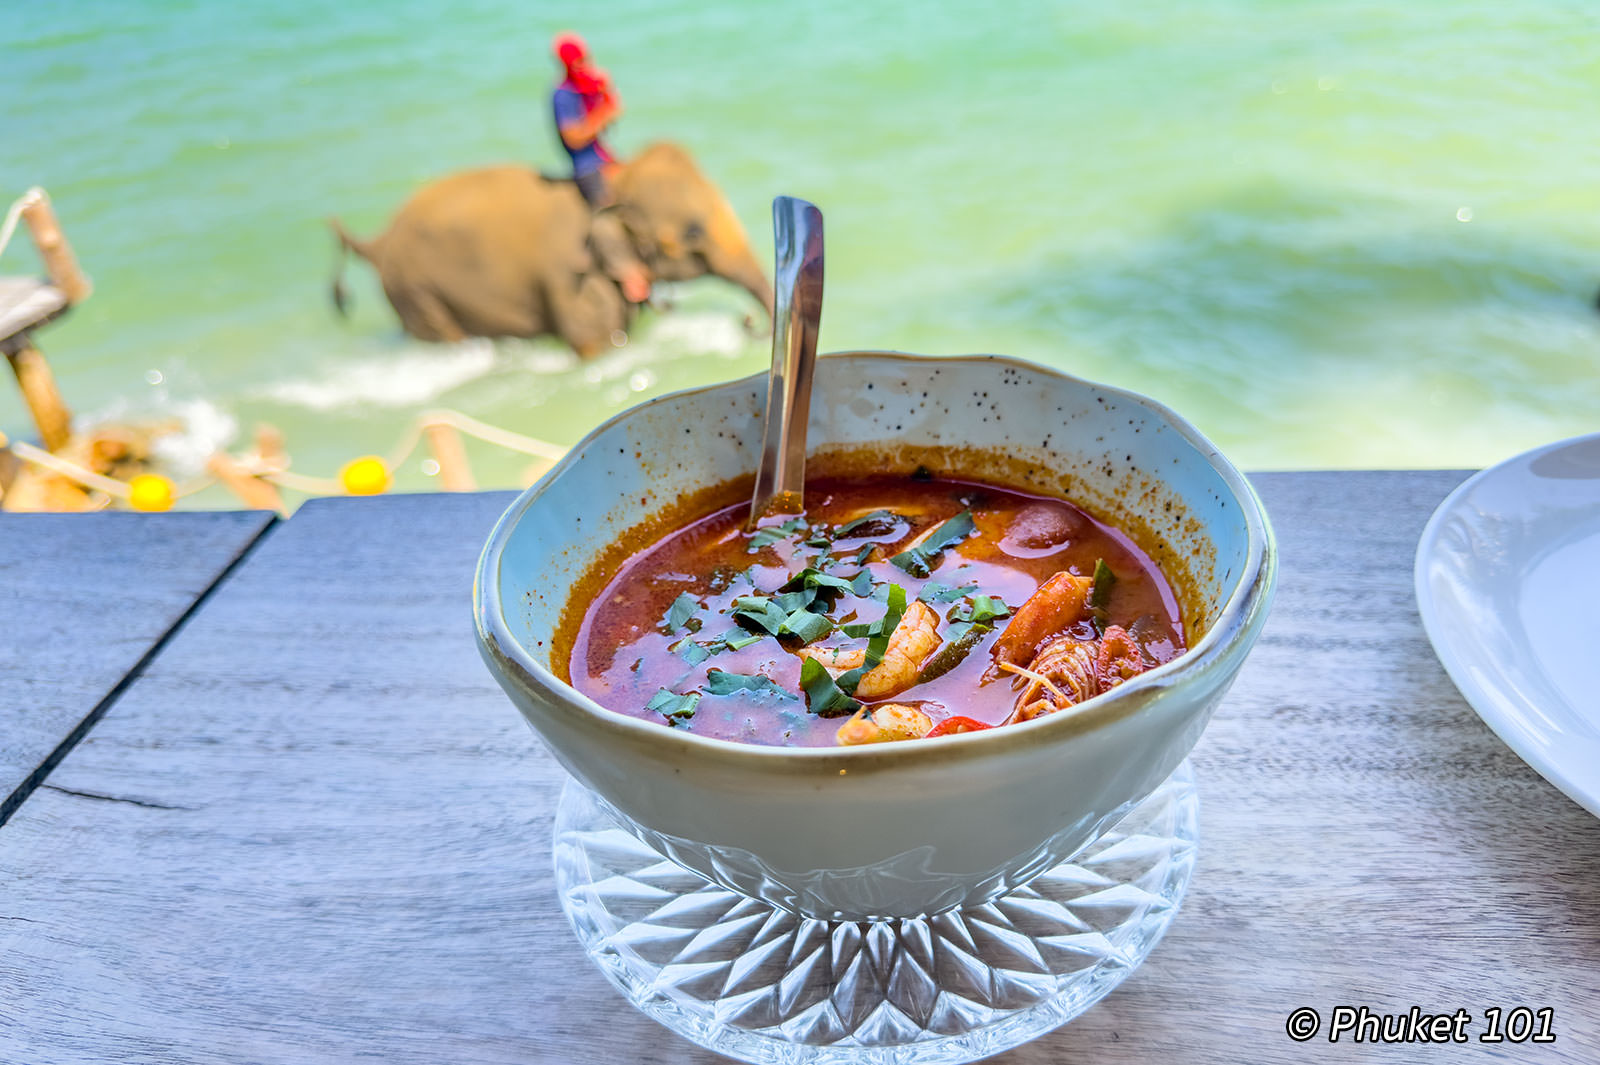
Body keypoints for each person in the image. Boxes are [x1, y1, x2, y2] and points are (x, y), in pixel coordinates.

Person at [551, 32, 622, 208]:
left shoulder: (586, 87)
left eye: (584, 59)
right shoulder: (563, 95)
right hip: (587, 167)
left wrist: (607, 93)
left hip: (602, 157)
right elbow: (573, 139)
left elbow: (613, 110)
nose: (583, 65)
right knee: (606, 212)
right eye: (578, 61)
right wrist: (602, 116)